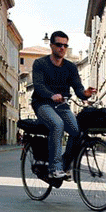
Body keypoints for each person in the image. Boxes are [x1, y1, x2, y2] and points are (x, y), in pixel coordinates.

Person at [31, 31, 96, 178]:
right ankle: (55, 169)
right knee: (57, 124)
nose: (62, 48)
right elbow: (39, 86)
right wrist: (51, 95)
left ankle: (65, 162)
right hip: (42, 104)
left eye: (65, 45)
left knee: (77, 131)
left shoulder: (70, 67)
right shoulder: (40, 64)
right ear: (52, 45)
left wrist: (85, 93)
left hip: (62, 106)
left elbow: (78, 88)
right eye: (59, 45)